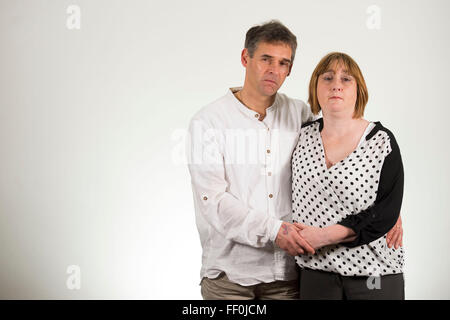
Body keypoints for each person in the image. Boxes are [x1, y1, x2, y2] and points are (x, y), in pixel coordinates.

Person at [187, 20, 403, 300]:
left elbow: (338, 169)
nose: (274, 70)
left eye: (283, 63)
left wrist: (387, 205)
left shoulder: (300, 114)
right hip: (230, 277)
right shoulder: (208, 122)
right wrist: (276, 231)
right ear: (245, 58)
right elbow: (213, 201)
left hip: (290, 275)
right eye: (266, 59)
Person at [291, 52, 405, 299]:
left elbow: (386, 211)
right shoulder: (300, 137)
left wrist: (323, 236)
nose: (336, 85)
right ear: (315, 87)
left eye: (346, 79)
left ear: (359, 89)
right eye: (328, 78)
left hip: (374, 276)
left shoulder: (381, 141)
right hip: (315, 273)